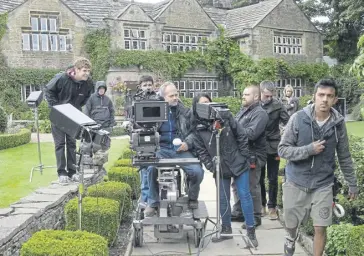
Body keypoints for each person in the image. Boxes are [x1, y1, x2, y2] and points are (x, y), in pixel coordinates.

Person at [278, 79, 358, 256]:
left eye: (329, 96)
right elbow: (282, 150)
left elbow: (344, 155)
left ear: (335, 99)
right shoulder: (298, 119)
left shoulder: (338, 124)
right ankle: (291, 237)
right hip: (295, 181)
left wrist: (352, 183)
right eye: (321, 95)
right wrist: (308, 150)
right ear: (314, 96)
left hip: (323, 184)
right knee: (291, 224)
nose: (324, 99)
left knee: (320, 228)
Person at [192, 93, 258, 246]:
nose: (207, 107)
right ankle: (226, 229)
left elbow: (241, 136)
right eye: (203, 104)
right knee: (223, 198)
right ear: (197, 108)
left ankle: (251, 231)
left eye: (209, 103)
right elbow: (202, 151)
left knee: (244, 195)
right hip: (219, 166)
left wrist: (243, 156)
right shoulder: (199, 129)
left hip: (238, 163)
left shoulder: (226, 118)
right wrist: (211, 166)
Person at [144, 82, 204, 217]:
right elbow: (144, 129)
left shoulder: (185, 111)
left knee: (197, 171)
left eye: (176, 95)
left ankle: (192, 198)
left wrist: (187, 144)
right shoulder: (155, 110)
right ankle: (153, 202)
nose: (175, 98)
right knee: (151, 169)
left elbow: (194, 132)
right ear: (163, 97)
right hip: (162, 149)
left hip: (180, 150)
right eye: (171, 95)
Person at [45, 57, 94, 183]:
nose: (87, 73)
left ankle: (72, 172)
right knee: (60, 144)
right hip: (59, 115)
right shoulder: (62, 78)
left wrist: (76, 108)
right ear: (76, 70)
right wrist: (56, 107)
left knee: (72, 144)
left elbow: (86, 97)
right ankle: (62, 173)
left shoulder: (88, 83)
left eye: (88, 71)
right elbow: (49, 91)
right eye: (84, 70)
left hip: (74, 116)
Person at [231, 85, 269, 228]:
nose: (243, 96)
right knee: (236, 184)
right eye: (243, 94)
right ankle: (240, 212)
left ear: (256, 97)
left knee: (251, 185)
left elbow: (251, 134)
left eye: (247, 94)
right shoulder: (243, 111)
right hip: (241, 154)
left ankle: (255, 216)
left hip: (254, 155)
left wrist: (234, 130)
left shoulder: (260, 114)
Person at [260, 81, 290, 219]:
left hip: (273, 144)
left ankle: (272, 207)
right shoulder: (254, 104)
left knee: (272, 178)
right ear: (261, 93)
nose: (269, 98)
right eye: (266, 95)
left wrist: (285, 138)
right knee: (259, 178)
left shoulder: (278, 105)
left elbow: (288, 123)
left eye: (271, 96)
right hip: (258, 145)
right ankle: (261, 205)